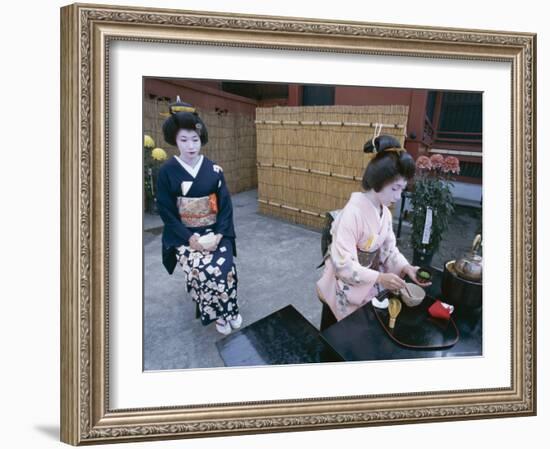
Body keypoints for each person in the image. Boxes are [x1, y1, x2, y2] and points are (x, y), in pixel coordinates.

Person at [316, 134, 431, 322]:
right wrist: (379, 278)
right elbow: (343, 265)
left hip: (367, 278)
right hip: (344, 282)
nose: (398, 196)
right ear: (378, 182)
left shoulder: (384, 213)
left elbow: (388, 250)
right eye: (395, 189)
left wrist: (406, 267)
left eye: (402, 189)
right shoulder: (352, 213)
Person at [156, 99, 241, 335]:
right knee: (202, 270)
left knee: (225, 267)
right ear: (175, 139)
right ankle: (218, 316)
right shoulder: (167, 172)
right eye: (184, 140)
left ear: (201, 138)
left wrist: (220, 234)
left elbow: (225, 206)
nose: (190, 146)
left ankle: (230, 309)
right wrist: (189, 237)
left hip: (215, 230)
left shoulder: (214, 169)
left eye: (195, 139)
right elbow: (166, 211)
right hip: (184, 234)